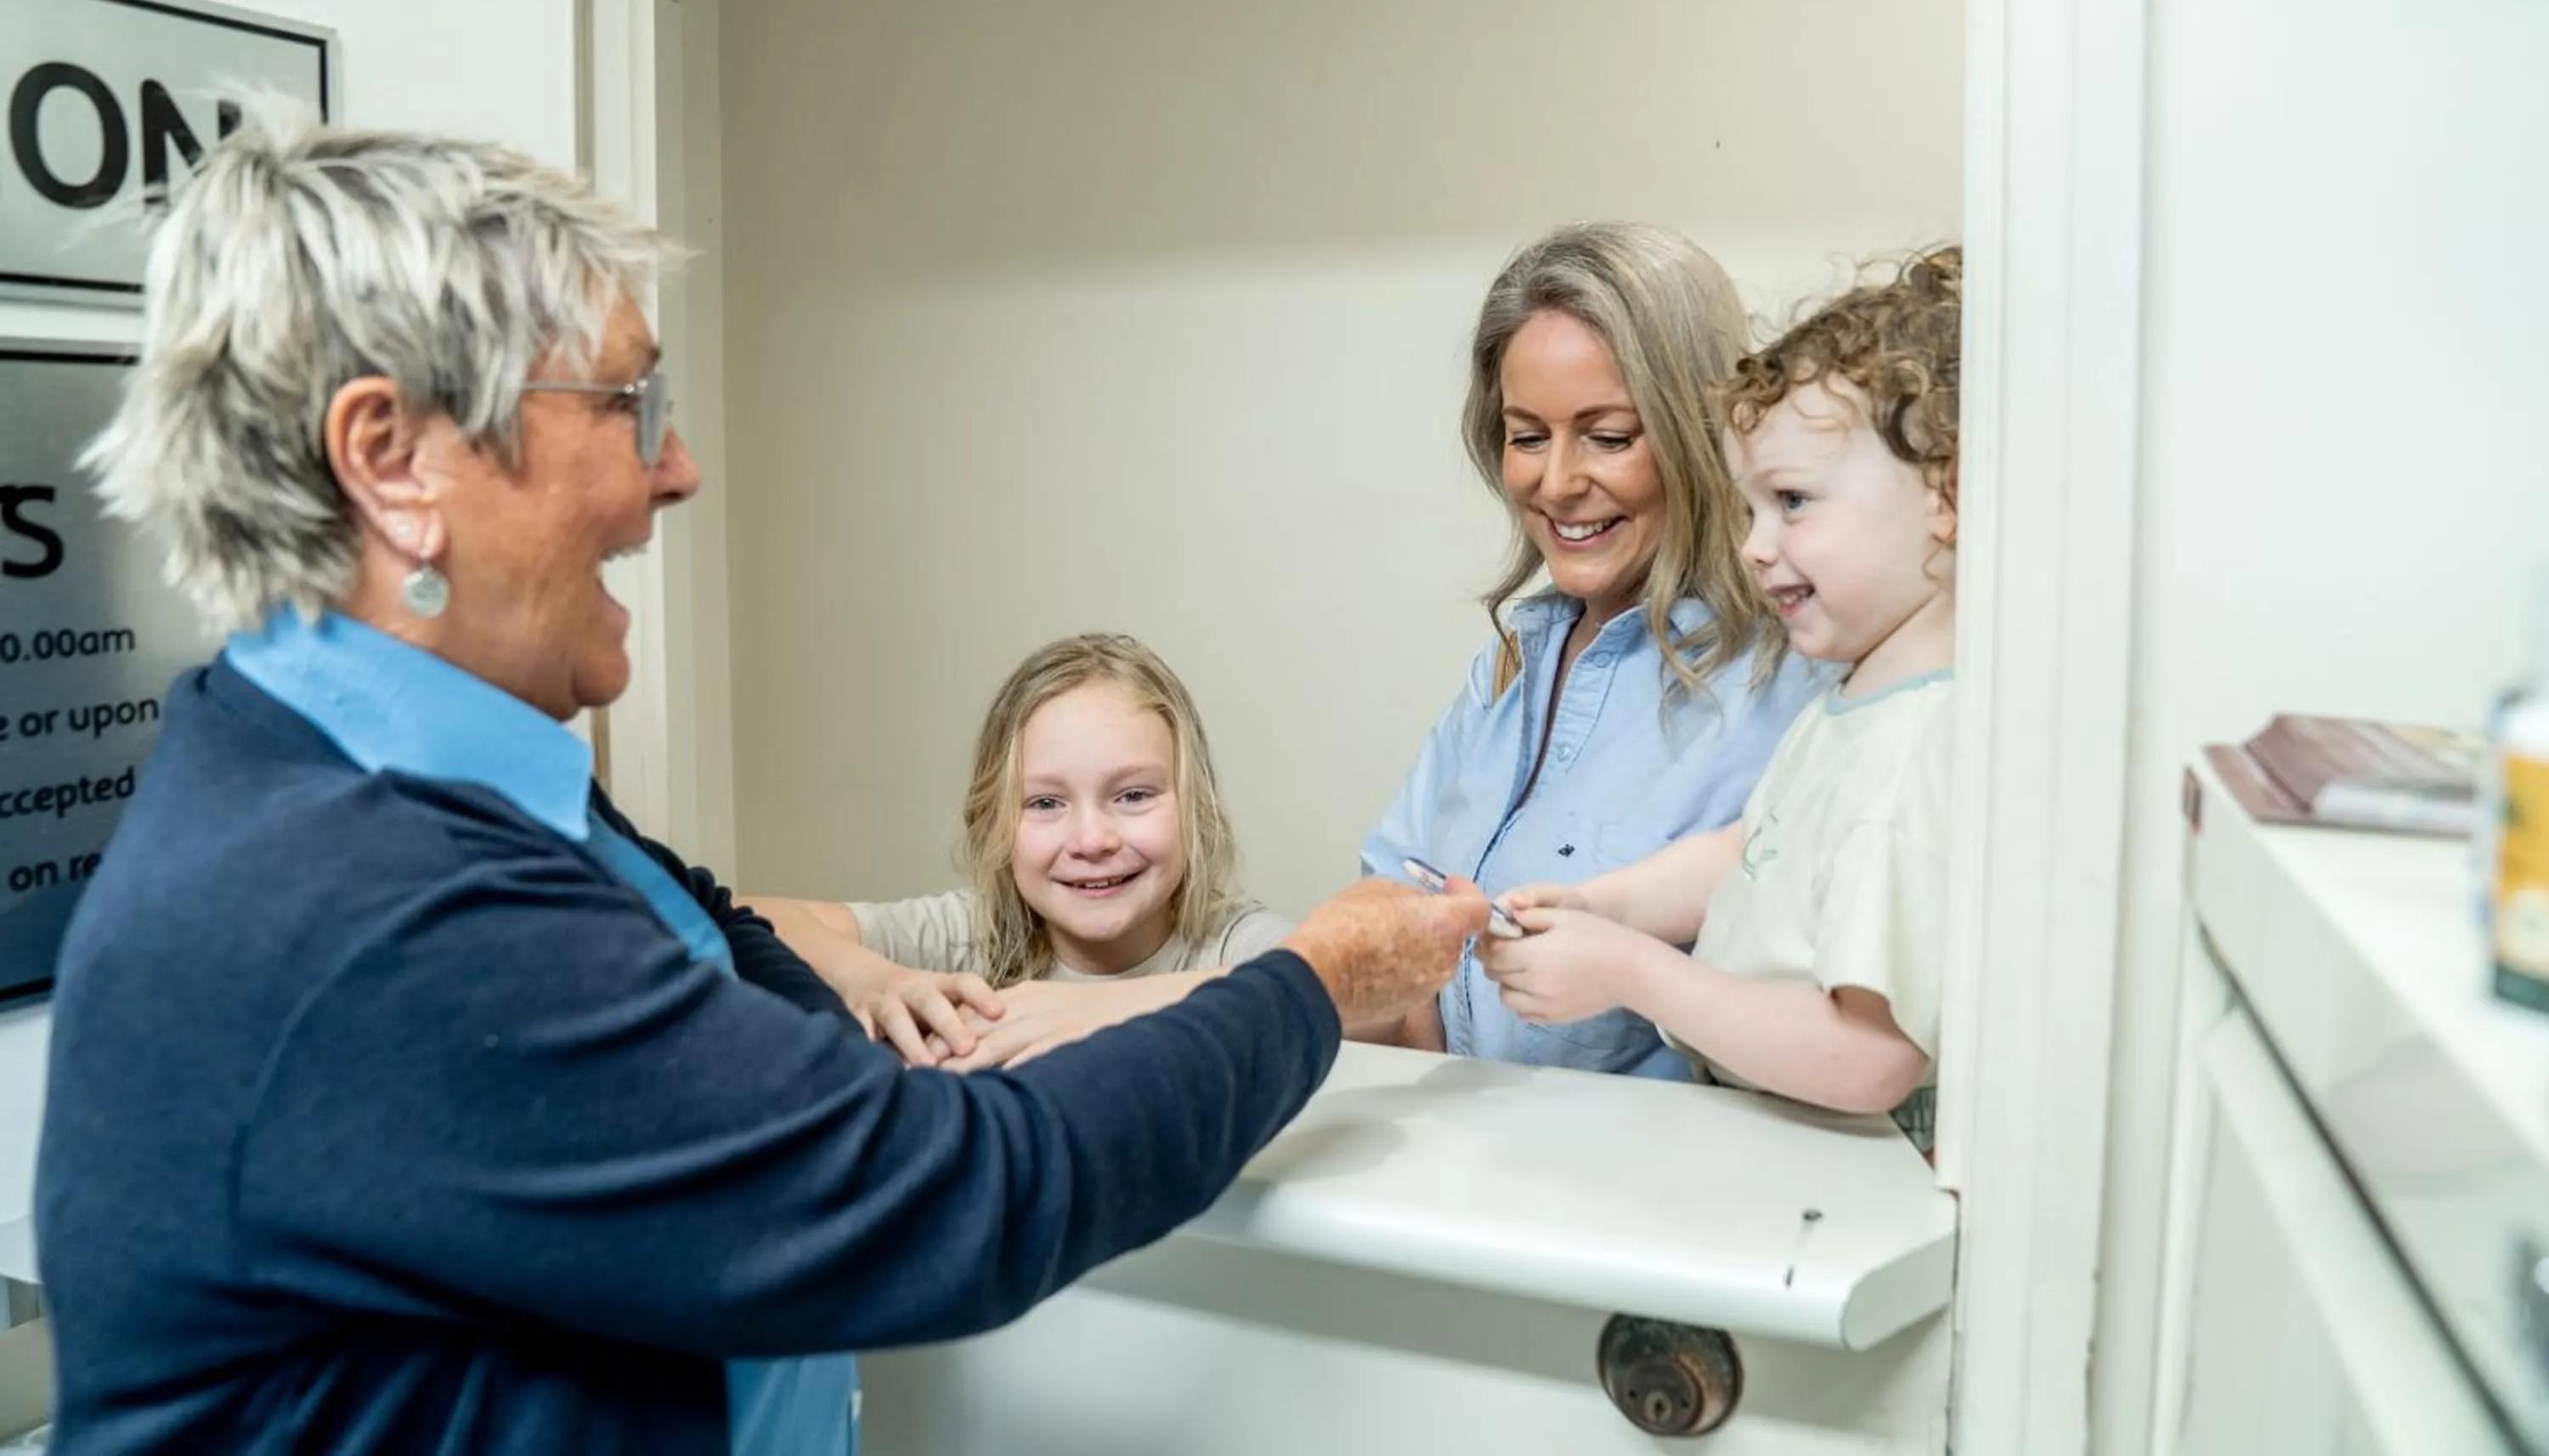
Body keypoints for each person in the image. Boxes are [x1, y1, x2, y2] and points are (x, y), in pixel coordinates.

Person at [31, 112, 1484, 1456]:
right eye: (624, 403)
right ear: (393, 457)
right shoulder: (366, 908)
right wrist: (1316, 978)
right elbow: (962, 1193)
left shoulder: (455, 779)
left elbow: (720, 950)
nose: (678, 470)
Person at [1482, 247, 1961, 1150]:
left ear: (1947, 495)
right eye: (1750, 510)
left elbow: (1870, 1059)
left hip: (1842, 1173)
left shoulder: (1917, 752)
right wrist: (1611, 906)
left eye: (1792, 501)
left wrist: (1634, 971)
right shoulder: (1863, 698)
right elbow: (1760, 851)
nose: (1754, 546)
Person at [1359, 222, 1823, 1076]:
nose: (1557, 480)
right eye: (1527, 435)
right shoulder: (1512, 662)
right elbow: (1392, 904)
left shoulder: (1793, 679)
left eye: (1608, 436)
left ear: (1700, 433)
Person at [746, 632, 1291, 1070]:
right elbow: (750, 919)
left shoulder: (1234, 945)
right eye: (1047, 802)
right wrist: (870, 978)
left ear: (1195, 808)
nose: (1092, 840)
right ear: (995, 822)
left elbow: (1334, 991)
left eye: (1133, 796)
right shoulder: (972, 938)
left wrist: (1102, 1008)